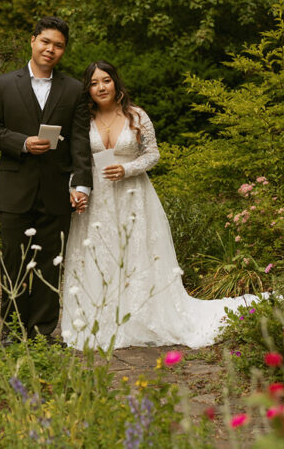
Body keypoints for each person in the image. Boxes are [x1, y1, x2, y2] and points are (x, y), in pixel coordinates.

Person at [61, 61, 267, 350]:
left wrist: (127, 169)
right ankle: (101, 319)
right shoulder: (83, 120)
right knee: (99, 254)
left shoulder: (136, 116)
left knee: (135, 253)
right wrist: (75, 189)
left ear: (116, 83)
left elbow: (153, 155)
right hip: (97, 200)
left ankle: (140, 317)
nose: (101, 87)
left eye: (105, 80)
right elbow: (74, 159)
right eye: (94, 83)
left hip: (133, 194)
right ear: (88, 89)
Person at [0, 17, 93, 345]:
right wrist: (23, 143)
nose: (50, 49)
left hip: (56, 191)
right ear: (32, 41)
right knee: (13, 263)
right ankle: (12, 333)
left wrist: (81, 184)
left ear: (63, 50)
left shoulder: (73, 89)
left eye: (58, 45)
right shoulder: (3, 84)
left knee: (48, 265)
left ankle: (43, 334)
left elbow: (80, 141)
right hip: (15, 191)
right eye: (46, 42)